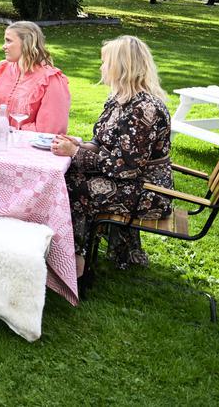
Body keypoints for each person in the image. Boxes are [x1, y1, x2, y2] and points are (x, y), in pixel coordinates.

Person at [51, 36, 174, 274]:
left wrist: (76, 153)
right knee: (68, 176)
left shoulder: (143, 109)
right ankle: (71, 253)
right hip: (129, 181)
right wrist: (80, 145)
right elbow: (102, 142)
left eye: (105, 62)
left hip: (148, 191)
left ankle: (75, 262)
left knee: (73, 187)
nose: (101, 67)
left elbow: (126, 167)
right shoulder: (119, 99)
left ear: (121, 66)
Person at [0, 21, 71, 135]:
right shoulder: (3, 69)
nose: (4, 46)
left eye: (8, 41)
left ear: (26, 43)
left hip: (29, 149)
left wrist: (11, 133)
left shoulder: (51, 79)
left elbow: (50, 130)